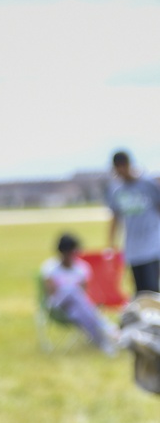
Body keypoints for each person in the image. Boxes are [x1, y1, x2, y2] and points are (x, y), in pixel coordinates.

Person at [41, 233, 117, 353]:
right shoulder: (50, 268)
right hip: (57, 305)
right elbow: (52, 293)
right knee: (71, 291)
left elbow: (83, 293)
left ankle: (102, 342)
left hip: (75, 308)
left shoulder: (82, 268)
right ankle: (109, 329)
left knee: (77, 312)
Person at [106, 150, 160, 294]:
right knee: (139, 291)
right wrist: (111, 244)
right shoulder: (116, 188)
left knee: (152, 289)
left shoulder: (147, 183)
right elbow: (115, 216)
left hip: (152, 245)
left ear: (128, 165)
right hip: (132, 247)